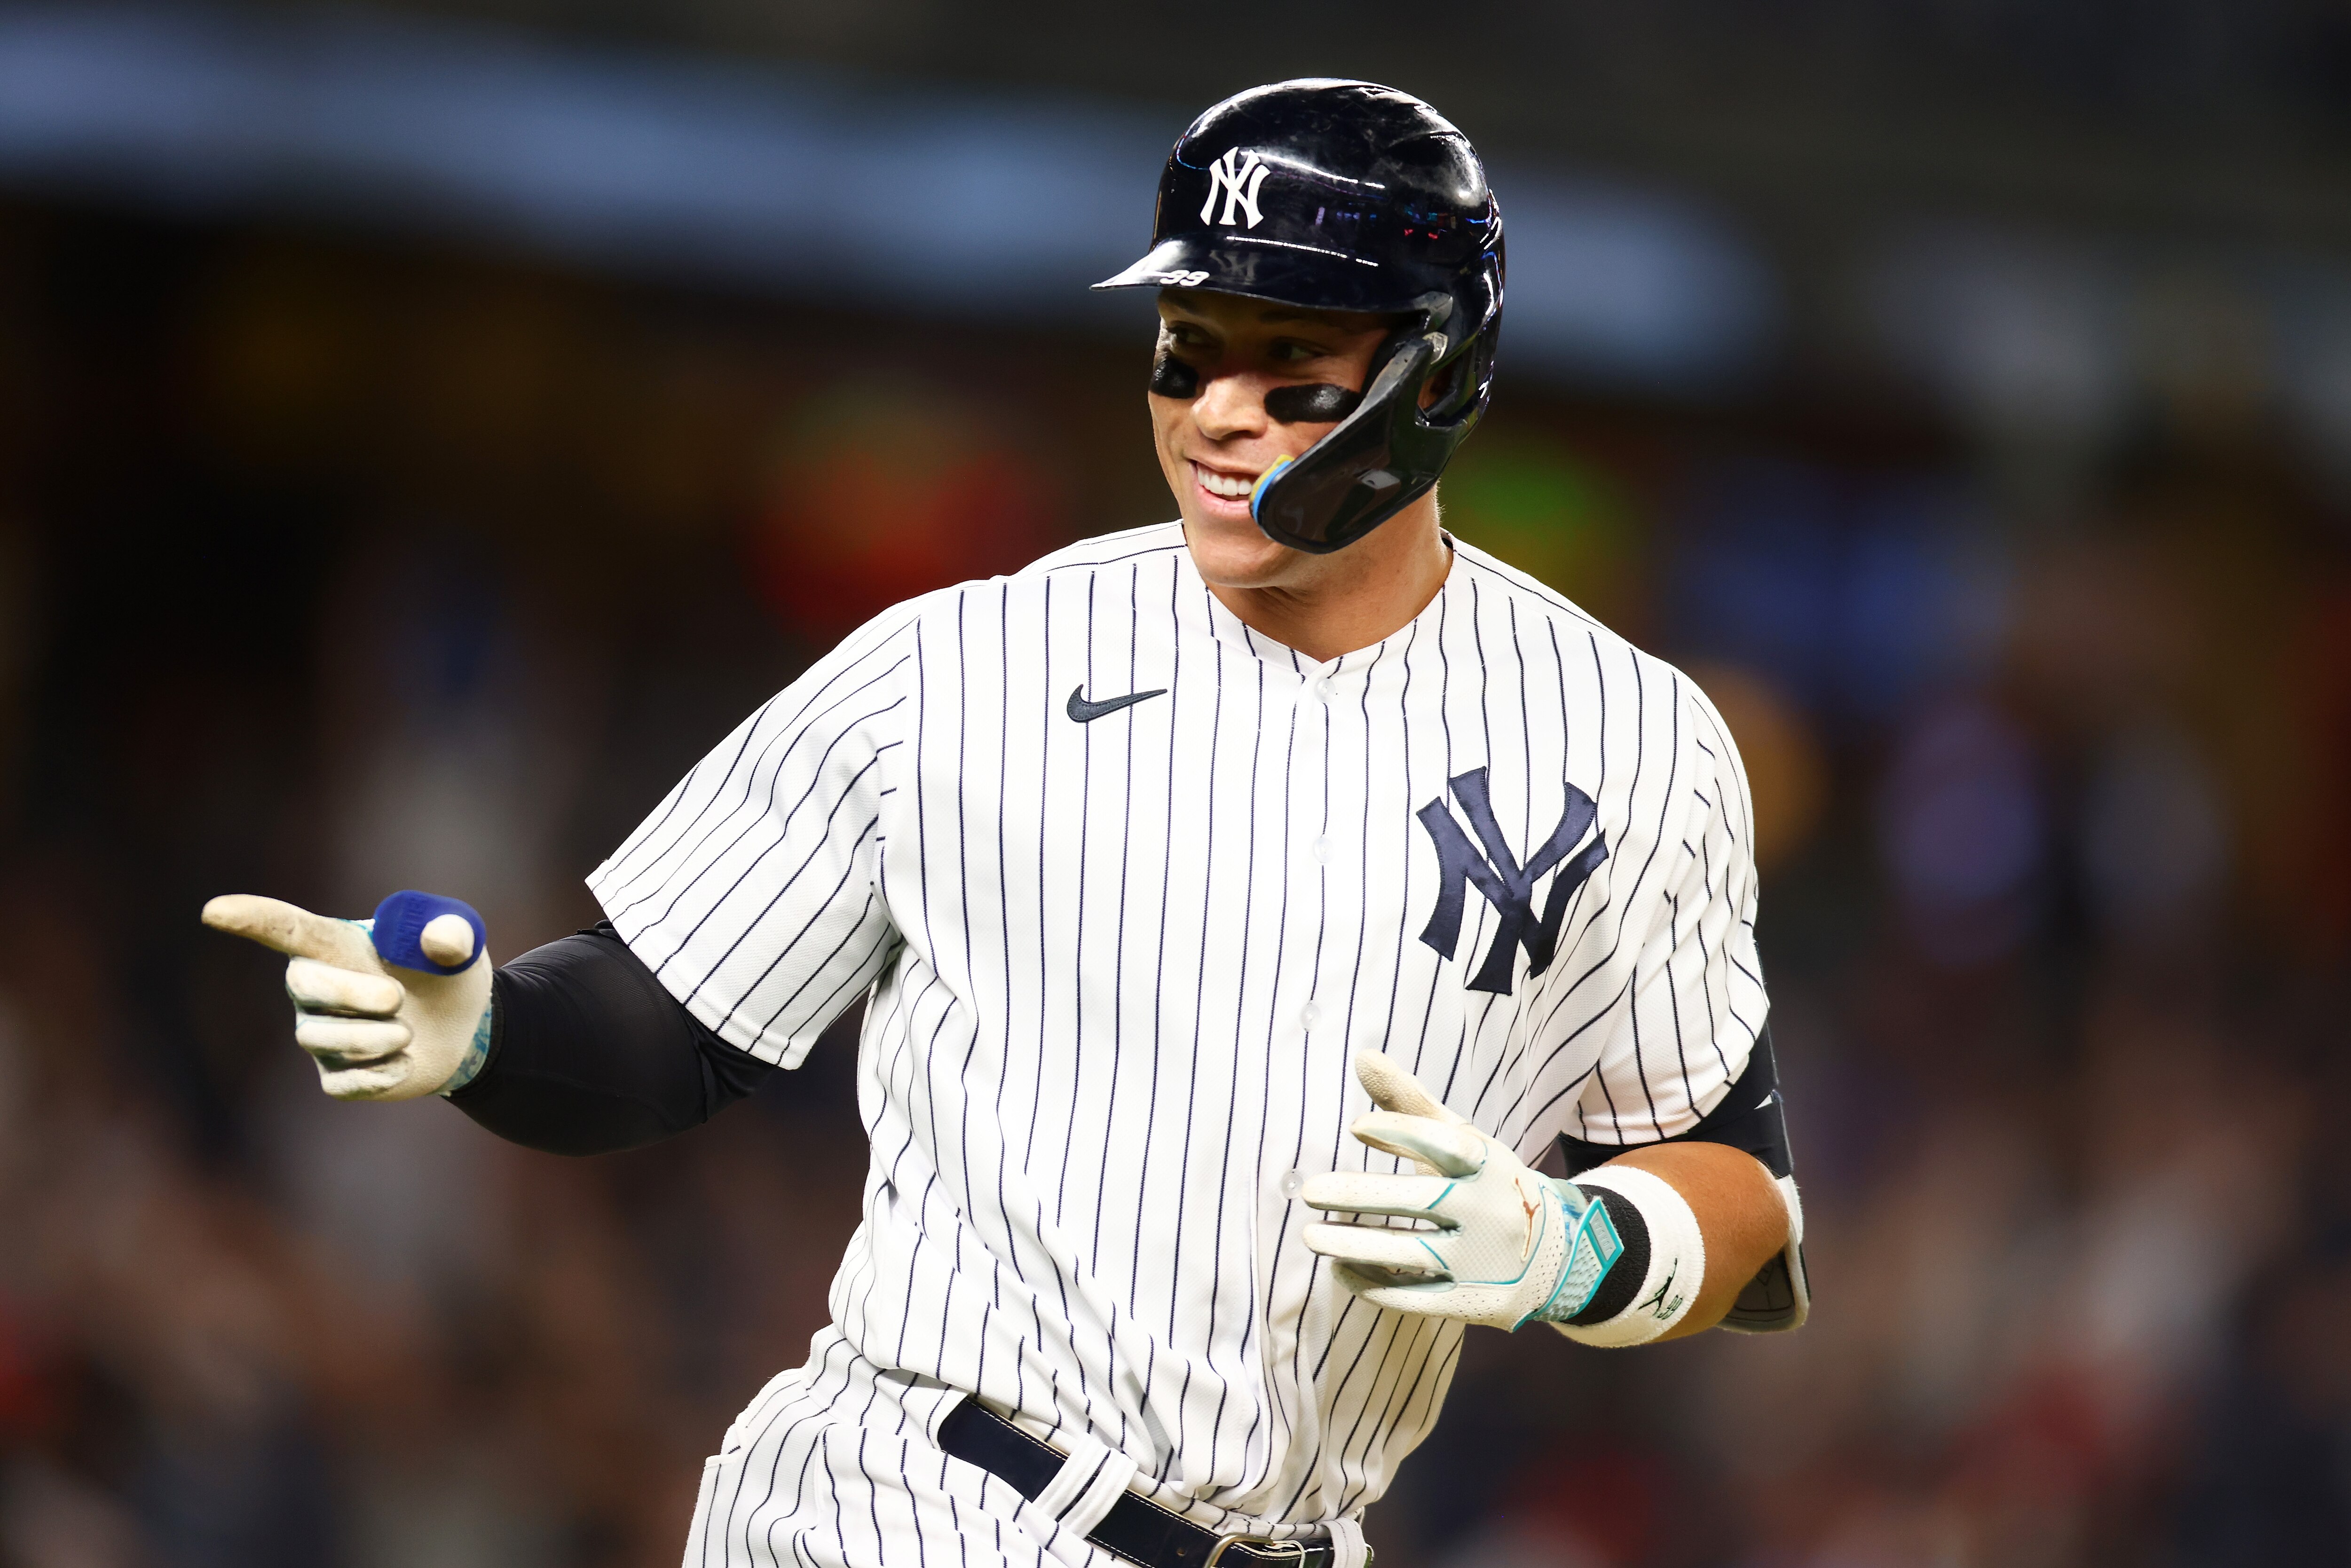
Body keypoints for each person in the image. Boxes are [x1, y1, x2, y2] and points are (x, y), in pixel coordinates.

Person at [205, 79, 1807, 1568]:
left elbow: (1740, 1193)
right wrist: (491, 1029)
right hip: (917, 1499)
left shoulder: (1629, 741)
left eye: (1288, 369)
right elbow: (665, 1026)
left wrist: (1572, 1246)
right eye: (1187, 349)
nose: (1217, 413)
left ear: (1440, 377)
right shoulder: (966, 663)